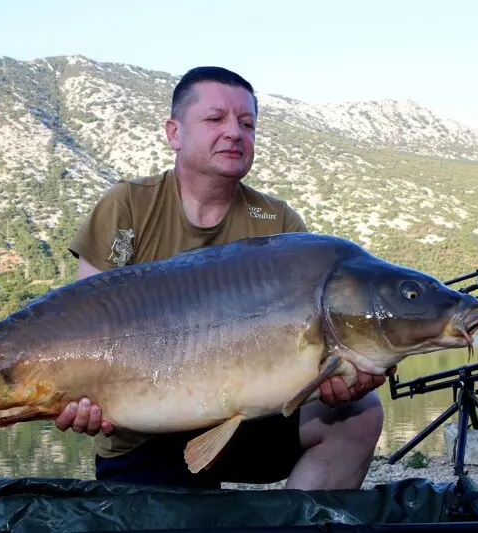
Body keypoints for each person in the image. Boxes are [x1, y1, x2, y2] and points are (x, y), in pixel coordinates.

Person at [61, 66, 392, 490]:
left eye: (247, 123)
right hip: (137, 431)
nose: (235, 133)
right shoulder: (126, 207)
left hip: (247, 426)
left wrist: (342, 375)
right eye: (215, 119)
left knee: (361, 412)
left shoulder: (279, 223)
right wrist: (78, 398)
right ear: (174, 133)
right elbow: (80, 319)